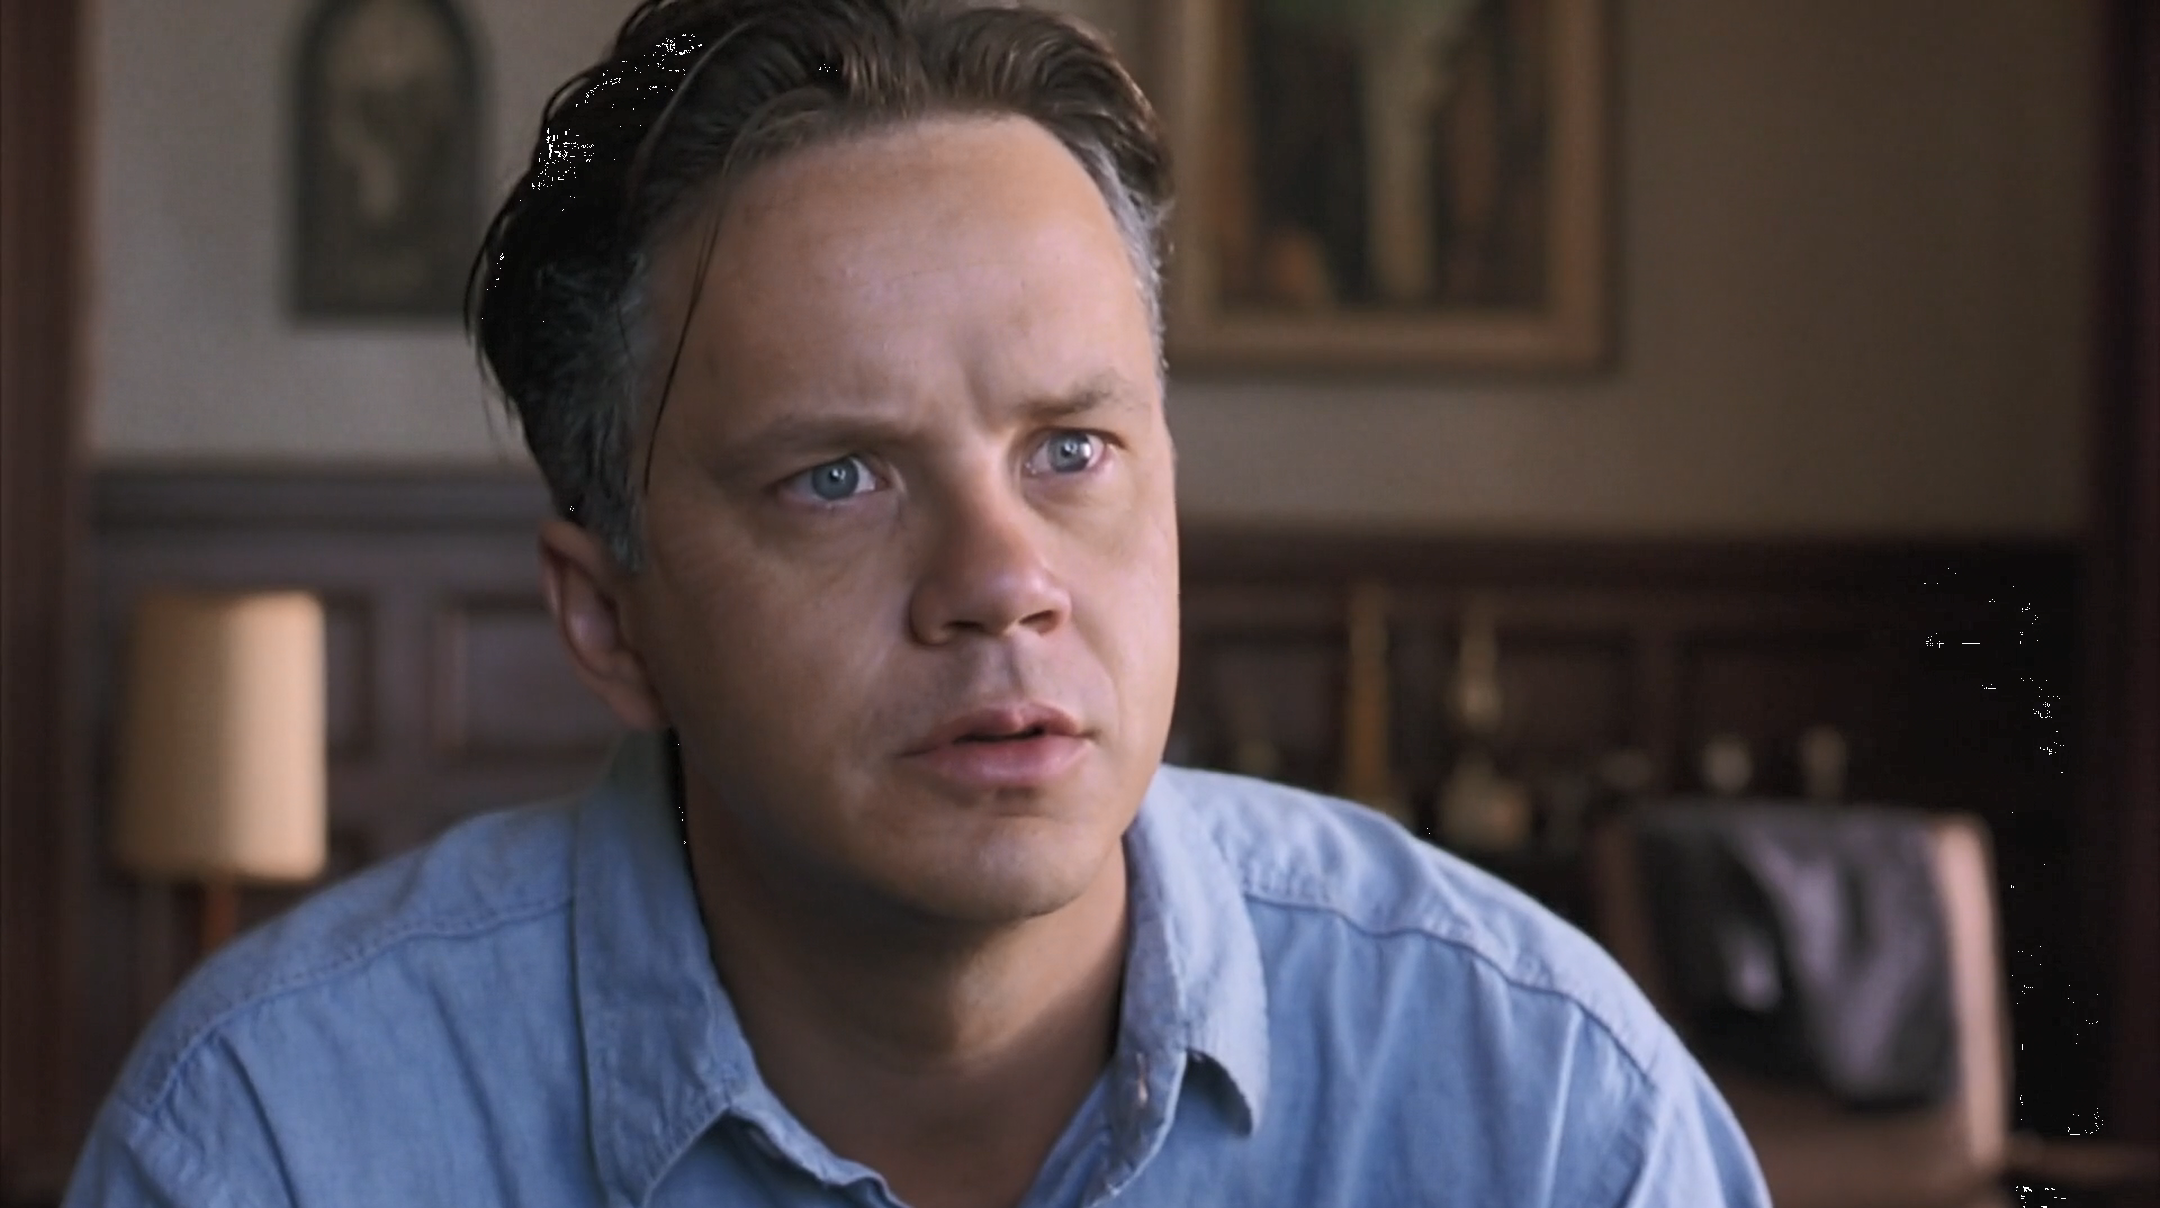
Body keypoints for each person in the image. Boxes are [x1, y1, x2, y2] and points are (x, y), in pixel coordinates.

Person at [66, 2, 1769, 1205]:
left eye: (1073, 450)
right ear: (607, 623)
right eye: (839, 479)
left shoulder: (1545, 1107)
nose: (1004, 582)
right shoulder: (282, 1137)